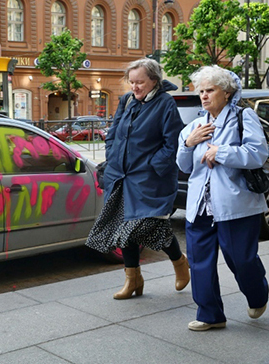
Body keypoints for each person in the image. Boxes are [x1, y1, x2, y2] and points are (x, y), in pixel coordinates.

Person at [86, 58, 189, 300]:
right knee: (125, 227)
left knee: (148, 225)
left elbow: (172, 142)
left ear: (154, 80)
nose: (135, 87)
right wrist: (112, 156)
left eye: (140, 82)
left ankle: (179, 262)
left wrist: (153, 166)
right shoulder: (127, 100)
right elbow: (113, 133)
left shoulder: (165, 104)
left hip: (148, 179)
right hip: (121, 177)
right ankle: (133, 280)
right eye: (132, 82)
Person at [176, 65, 268, 331]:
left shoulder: (244, 116)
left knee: (241, 259)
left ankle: (258, 294)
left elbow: (257, 154)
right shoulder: (194, 125)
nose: (204, 96)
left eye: (210, 90)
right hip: (200, 206)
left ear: (226, 93)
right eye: (201, 91)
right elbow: (183, 166)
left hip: (235, 205)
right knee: (199, 262)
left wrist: (222, 152)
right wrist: (188, 144)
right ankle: (210, 314)